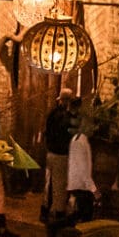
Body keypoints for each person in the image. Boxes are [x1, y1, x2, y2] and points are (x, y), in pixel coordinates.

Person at [42, 91, 76, 222]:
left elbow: (47, 131)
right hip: (61, 154)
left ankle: (45, 210)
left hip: (50, 152)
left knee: (49, 183)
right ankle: (58, 212)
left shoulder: (52, 113)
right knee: (59, 185)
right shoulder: (65, 117)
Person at [65, 122, 96, 226]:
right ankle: (56, 226)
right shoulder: (80, 142)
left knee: (82, 212)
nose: (93, 130)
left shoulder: (78, 139)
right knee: (85, 213)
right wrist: (93, 188)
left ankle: (57, 226)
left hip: (79, 182)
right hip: (80, 184)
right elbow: (83, 169)